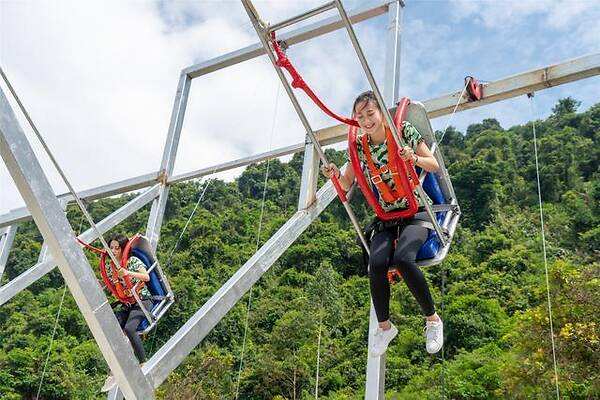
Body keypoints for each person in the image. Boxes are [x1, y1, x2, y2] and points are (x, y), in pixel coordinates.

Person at [321, 91, 444, 357]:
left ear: (380, 113)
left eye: (370, 114)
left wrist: (413, 159)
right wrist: (335, 175)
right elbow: (346, 184)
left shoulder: (403, 132)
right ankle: (385, 327)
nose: (366, 121)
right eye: (360, 117)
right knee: (375, 265)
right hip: (387, 217)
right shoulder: (359, 148)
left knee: (403, 259)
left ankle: (433, 320)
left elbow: (433, 165)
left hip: (416, 211)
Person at [106, 234, 152, 363]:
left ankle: (143, 360)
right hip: (127, 303)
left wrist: (128, 273)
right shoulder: (112, 267)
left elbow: (146, 277)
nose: (114, 251)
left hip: (142, 300)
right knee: (112, 326)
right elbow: (113, 283)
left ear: (123, 248)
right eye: (112, 248)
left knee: (129, 328)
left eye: (117, 248)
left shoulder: (132, 261)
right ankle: (121, 361)